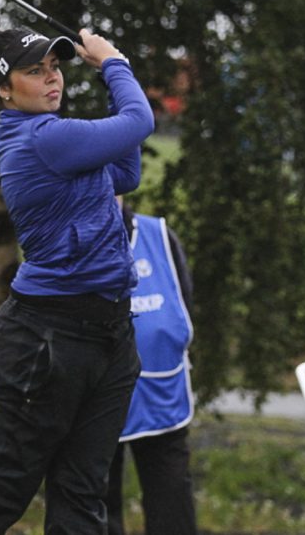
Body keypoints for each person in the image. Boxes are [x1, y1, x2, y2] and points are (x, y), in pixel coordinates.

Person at [0, 17, 155, 535]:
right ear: (4, 90)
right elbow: (139, 121)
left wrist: (117, 91)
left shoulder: (60, 138)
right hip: (49, 340)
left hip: (107, 336)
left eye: (55, 67)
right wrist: (115, 66)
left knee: (82, 495)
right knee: (0, 492)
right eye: (36, 71)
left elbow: (127, 172)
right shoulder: (40, 142)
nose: (53, 77)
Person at [106, 200, 197, 535]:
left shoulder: (159, 236)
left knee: (171, 499)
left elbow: (183, 306)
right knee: (95, 503)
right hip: (95, 396)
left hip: (162, 393)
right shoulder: (67, 237)